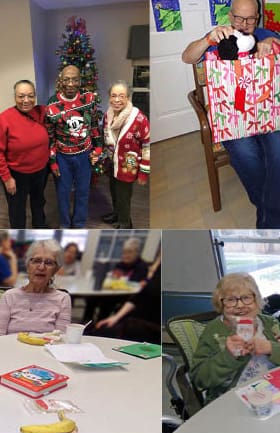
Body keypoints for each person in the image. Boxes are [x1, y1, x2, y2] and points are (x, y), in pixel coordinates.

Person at [181, 0, 280, 229]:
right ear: (229, 15)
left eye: (250, 19)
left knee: (278, 154)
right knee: (246, 153)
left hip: (268, 112)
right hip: (231, 116)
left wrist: (275, 41)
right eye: (239, 18)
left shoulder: (265, 33)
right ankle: (277, 218)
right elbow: (187, 57)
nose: (244, 25)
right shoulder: (218, 36)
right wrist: (208, 39)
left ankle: (270, 216)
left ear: (258, 17)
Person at [190, 272, 280, 402]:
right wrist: (228, 356)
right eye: (231, 300)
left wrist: (270, 347)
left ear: (257, 300)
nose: (240, 305)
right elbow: (199, 379)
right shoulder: (214, 331)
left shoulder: (271, 324)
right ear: (221, 304)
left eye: (246, 298)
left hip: (274, 390)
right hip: (231, 398)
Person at [0, 79, 50, 229]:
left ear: (35, 96)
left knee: (39, 202)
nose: (26, 100)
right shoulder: (4, 119)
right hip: (17, 175)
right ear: (15, 97)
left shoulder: (41, 112)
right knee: (17, 209)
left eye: (30, 96)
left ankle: (39, 227)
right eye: (21, 96)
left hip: (41, 171)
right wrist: (7, 178)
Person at [45, 65, 102, 228]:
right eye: (67, 79)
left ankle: (78, 225)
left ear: (80, 81)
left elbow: (94, 126)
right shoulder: (52, 104)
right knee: (63, 194)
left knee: (83, 192)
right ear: (61, 81)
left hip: (85, 155)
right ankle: (64, 224)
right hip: (62, 157)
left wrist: (98, 148)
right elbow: (50, 136)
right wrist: (53, 161)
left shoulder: (89, 99)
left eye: (74, 79)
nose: (70, 83)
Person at [0, 240, 71, 336]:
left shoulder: (62, 299)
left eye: (49, 262)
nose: (41, 267)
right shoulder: (9, 296)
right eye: (36, 261)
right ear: (27, 265)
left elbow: (61, 339)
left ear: (56, 269)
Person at [101, 80, 150, 229]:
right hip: (112, 162)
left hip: (128, 164)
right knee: (114, 191)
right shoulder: (107, 116)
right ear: (109, 97)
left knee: (124, 195)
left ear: (128, 98)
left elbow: (147, 146)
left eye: (121, 96)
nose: (117, 100)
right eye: (114, 95)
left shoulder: (139, 119)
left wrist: (144, 172)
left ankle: (125, 223)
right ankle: (117, 214)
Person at [94, 252, 161, 344]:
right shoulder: (156, 272)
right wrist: (115, 317)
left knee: (104, 334)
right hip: (135, 321)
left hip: (148, 327)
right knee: (102, 328)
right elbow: (137, 298)